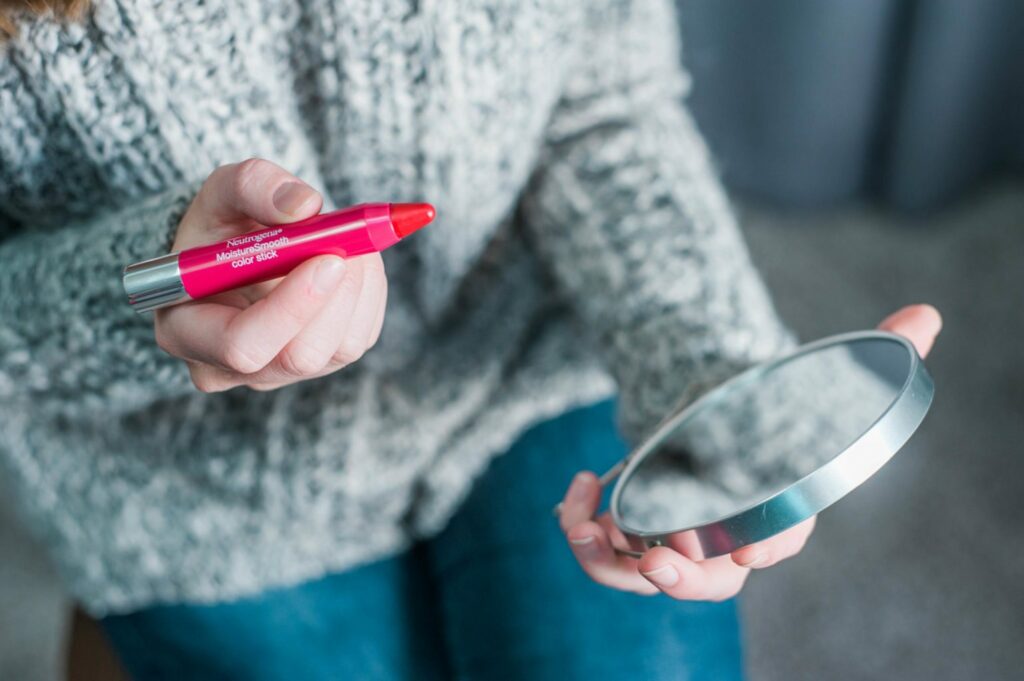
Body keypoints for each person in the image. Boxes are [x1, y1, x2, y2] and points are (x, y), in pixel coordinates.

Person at [0, 1, 942, 679]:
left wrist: (716, 377)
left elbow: (600, 103)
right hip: (184, 497)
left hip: (518, 373)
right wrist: (139, 293)